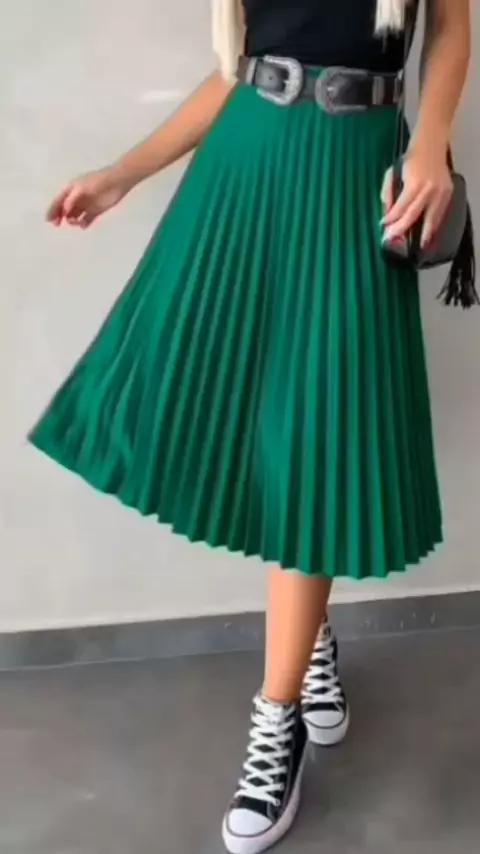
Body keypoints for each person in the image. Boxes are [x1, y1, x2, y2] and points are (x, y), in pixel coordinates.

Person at [30, 1, 471, 852]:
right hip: (245, 165)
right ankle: (306, 643)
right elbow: (237, 72)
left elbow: (452, 26)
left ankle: (279, 717)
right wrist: (122, 173)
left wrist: (431, 142)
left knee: (317, 434)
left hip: (351, 176)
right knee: (183, 396)